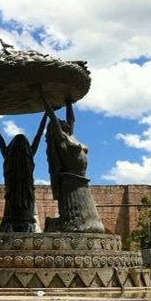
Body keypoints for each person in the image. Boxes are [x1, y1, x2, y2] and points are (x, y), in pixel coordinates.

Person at [42, 93, 105, 233]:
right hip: (71, 181)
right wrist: (43, 95)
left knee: (92, 222)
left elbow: (72, 119)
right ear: (56, 127)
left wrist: (69, 102)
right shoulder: (61, 140)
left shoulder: (71, 136)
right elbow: (52, 116)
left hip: (81, 181)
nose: (63, 120)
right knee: (82, 222)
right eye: (59, 120)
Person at [0, 112, 47, 232]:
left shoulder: (7, 154)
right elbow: (39, 134)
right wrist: (46, 114)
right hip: (26, 193)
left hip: (12, 193)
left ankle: (10, 224)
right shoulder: (29, 153)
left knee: (10, 213)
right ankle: (27, 223)